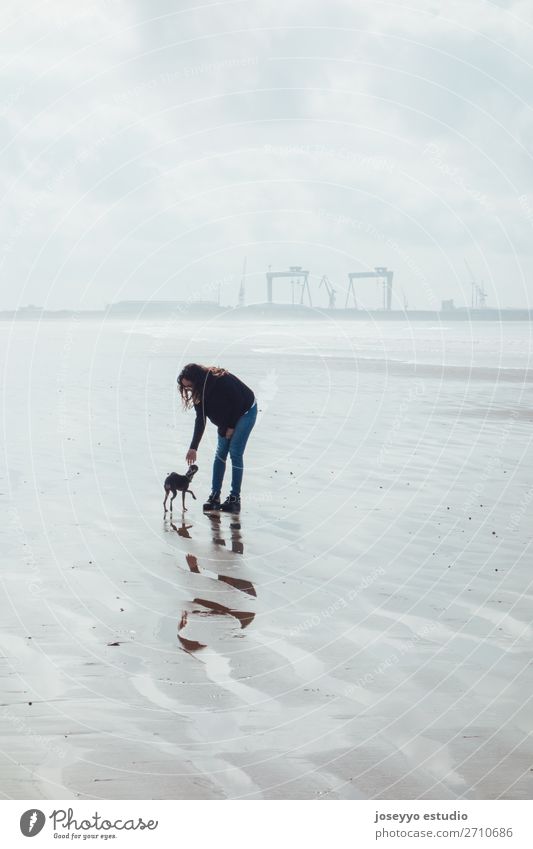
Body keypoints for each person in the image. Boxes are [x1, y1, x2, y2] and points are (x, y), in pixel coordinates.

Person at [177, 363, 257, 513]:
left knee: (235, 452)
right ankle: (215, 496)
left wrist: (232, 426)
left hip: (246, 410)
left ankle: (234, 500)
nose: (188, 391)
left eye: (189, 386)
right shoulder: (198, 394)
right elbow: (201, 420)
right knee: (220, 453)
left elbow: (238, 401)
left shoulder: (221, 380)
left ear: (197, 380)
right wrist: (194, 447)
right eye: (185, 388)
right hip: (225, 419)